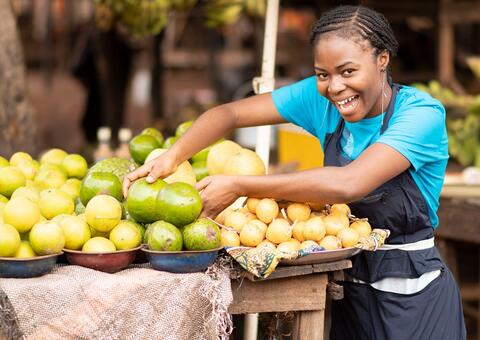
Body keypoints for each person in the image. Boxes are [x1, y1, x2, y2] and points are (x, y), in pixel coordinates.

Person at [123, 5, 466, 339]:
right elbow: (229, 115)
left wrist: (242, 185)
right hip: (349, 292)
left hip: (414, 298)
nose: (334, 88)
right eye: (322, 75)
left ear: (382, 60)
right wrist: (172, 156)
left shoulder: (421, 114)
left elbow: (350, 184)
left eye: (348, 72)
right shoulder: (322, 102)